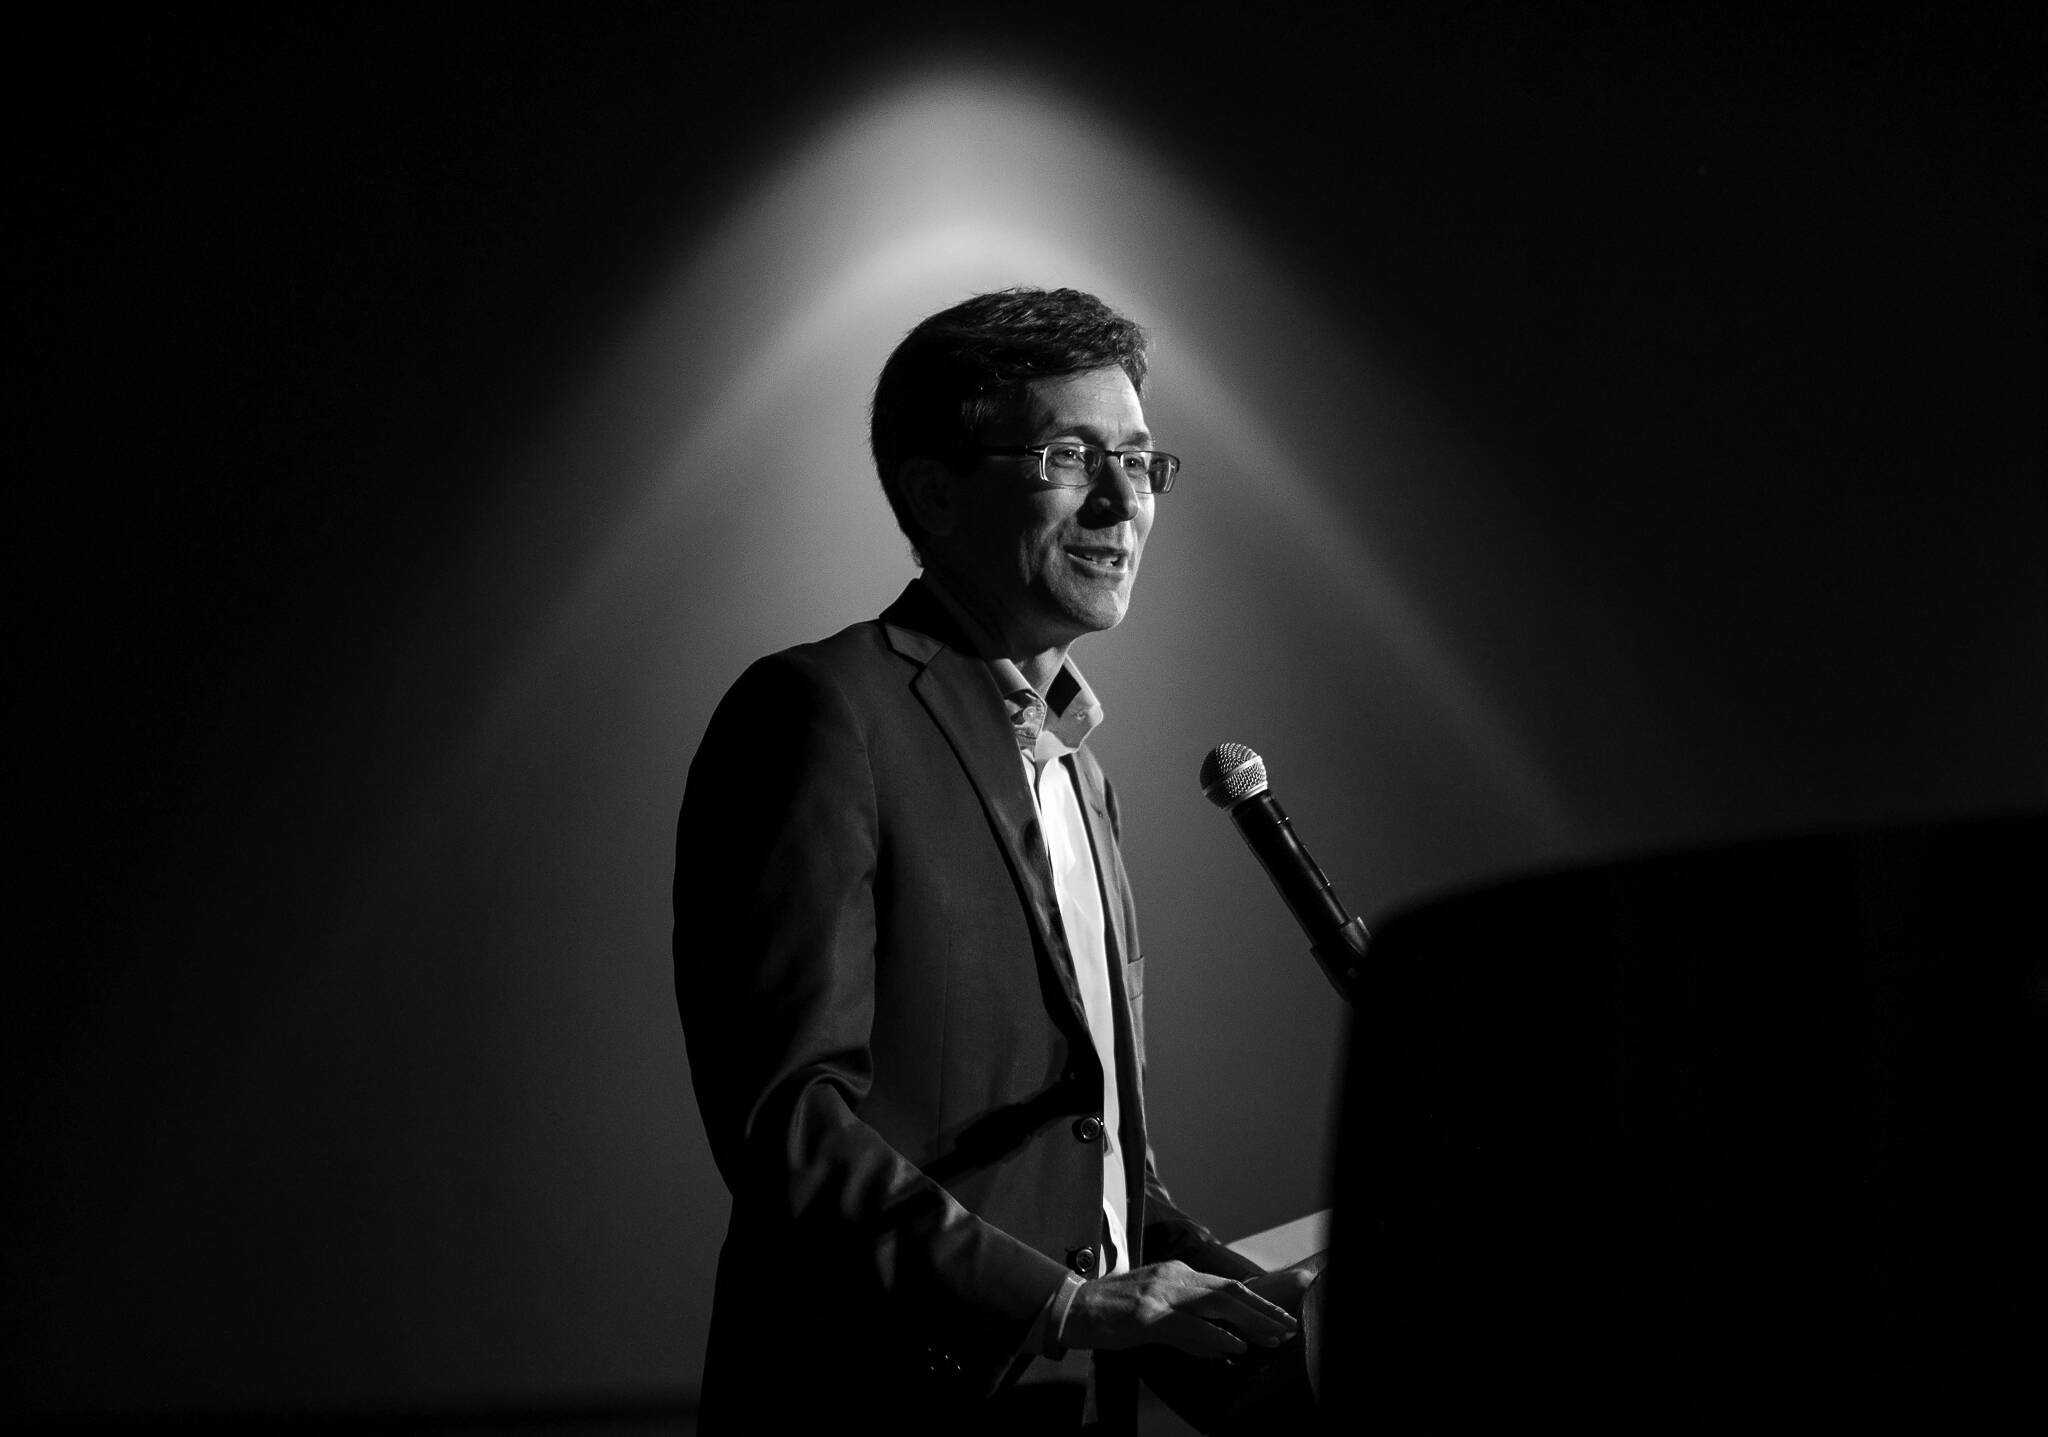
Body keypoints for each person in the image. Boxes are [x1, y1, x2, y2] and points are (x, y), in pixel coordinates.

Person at [674, 287, 1315, 1432]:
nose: (1122, 501)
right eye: (1071, 457)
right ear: (934, 489)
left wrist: (1224, 1299)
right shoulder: (822, 713)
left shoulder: (1079, 765)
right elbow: (789, 1130)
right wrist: (1068, 1305)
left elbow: (1091, 1166)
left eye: (1139, 459)